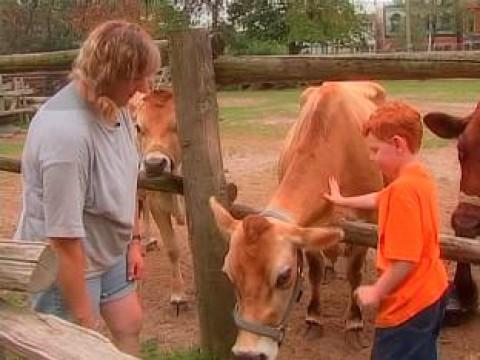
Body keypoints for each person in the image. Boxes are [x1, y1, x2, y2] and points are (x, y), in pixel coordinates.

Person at [14, 20, 160, 356]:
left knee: (129, 324)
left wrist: (134, 242)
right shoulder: (65, 134)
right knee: (73, 350)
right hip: (66, 262)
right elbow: (64, 241)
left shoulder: (117, 108)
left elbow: (127, 180)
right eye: (138, 76)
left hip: (108, 249)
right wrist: (83, 320)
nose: (146, 87)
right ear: (112, 74)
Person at [324, 101, 448, 359]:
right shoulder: (417, 177)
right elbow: (380, 197)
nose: (371, 157)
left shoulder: (403, 191)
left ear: (398, 144)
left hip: (407, 305)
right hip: (432, 292)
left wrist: (376, 291)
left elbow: (405, 260)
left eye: (375, 150)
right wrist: (342, 200)